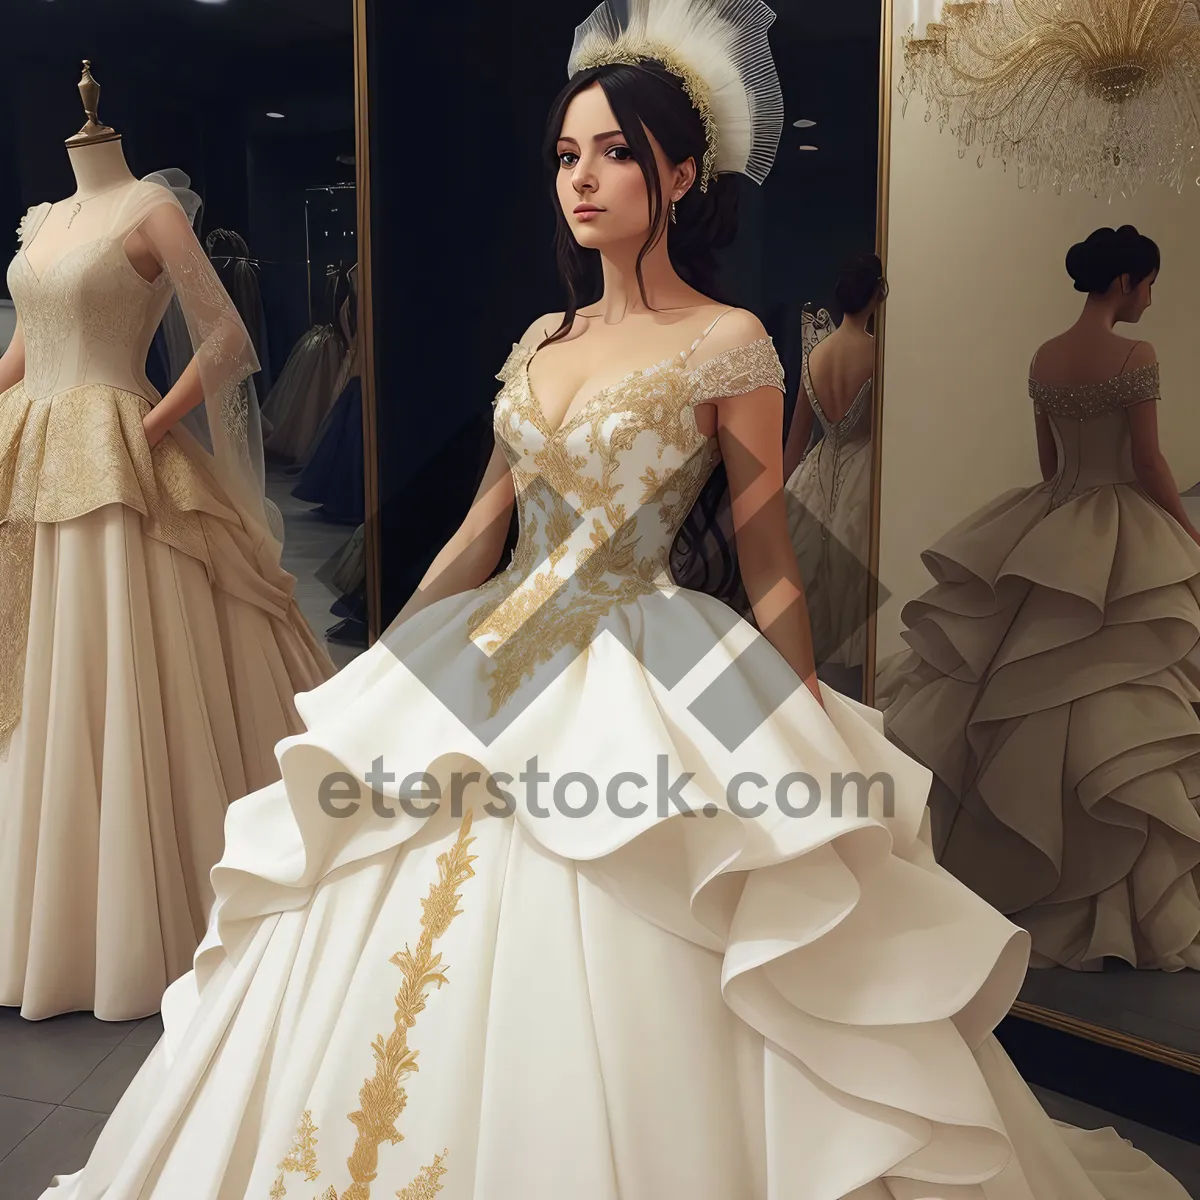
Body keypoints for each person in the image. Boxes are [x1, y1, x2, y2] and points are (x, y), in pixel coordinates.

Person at [43, 12, 1189, 1199]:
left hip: (654, 652)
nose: (582, 179)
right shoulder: (542, 337)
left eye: (616, 154)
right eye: (566, 156)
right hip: (498, 647)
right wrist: (378, 667)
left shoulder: (731, 343)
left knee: (657, 916)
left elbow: (769, 554)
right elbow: (484, 527)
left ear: (681, 176)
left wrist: (793, 712)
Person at [0, 153, 335, 1023]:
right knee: (35, 662)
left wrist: (144, 427)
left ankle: (136, 913)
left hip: (117, 450)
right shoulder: (42, 223)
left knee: (105, 655)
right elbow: (22, 354)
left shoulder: (148, 210)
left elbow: (226, 339)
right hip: (30, 451)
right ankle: (38, 914)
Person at [878, 225, 1200, 973]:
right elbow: (1148, 460)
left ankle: (1014, 872)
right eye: (1149, 283)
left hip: (1052, 523)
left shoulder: (1045, 357)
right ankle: (1114, 895)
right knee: (1118, 706)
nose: (1151, 297)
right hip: (1122, 527)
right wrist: (1186, 531)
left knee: (1025, 701)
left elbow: (1048, 463)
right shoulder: (1134, 355)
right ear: (1124, 283)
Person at [783, 254, 884, 695]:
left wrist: (779, 500)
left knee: (814, 585)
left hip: (816, 472)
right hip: (865, 468)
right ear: (878, 293)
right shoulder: (879, 353)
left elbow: (796, 439)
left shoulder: (815, 356)